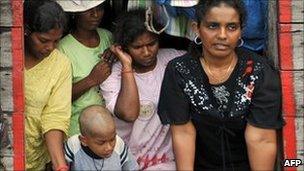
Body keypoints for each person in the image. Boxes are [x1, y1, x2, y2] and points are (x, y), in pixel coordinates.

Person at [158, 0, 284, 170]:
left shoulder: (258, 71)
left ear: (241, 31)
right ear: (197, 28)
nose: (222, 35)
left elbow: (260, 138)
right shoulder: (180, 70)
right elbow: (183, 133)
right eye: (213, 26)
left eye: (232, 27)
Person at [100, 9, 186, 170]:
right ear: (124, 47)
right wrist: (126, 65)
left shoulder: (173, 61)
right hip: (125, 163)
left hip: (166, 163)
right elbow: (129, 113)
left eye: (151, 44)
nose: (146, 52)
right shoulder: (113, 73)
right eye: (137, 47)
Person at [24, 0, 71, 170]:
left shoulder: (60, 64)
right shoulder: (6, 57)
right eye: (43, 40)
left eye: (56, 41)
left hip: (34, 161)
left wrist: (60, 166)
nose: (50, 47)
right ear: (26, 30)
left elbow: (54, 116)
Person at [57, 0, 112, 136]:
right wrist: (91, 80)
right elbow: (58, 98)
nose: (95, 14)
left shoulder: (108, 37)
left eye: (99, 8)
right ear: (75, 13)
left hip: (109, 127)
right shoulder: (63, 48)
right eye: (88, 10)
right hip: (79, 130)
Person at [64, 105, 138, 170]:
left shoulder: (119, 145)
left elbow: (132, 168)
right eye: (101, 143)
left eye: (112, 140)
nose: (109, 147)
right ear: (84, 141)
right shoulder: (73, 146)